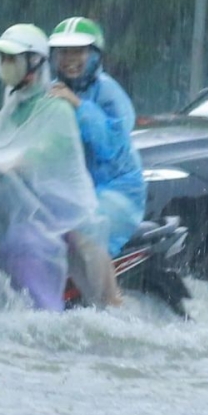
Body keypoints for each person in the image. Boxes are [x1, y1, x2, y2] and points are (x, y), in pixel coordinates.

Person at [0, 23, 104, 312]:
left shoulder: (55, 106)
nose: (5, 65)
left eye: (12, 59)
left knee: (21, 245)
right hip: (19, 208)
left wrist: (10, 163)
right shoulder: (14, 102)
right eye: (2, 58)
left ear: (34, 62)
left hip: (57, 216)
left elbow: (45, 152)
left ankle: (44, 318)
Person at [47, 16, 144, 306]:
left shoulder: (109, 92)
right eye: (64, 52)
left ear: (94, 55)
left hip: (117, 190)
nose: (70, 59)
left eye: (79, 51)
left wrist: (78, 105)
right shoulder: (51, 91)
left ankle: (111, 300)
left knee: (84, 225)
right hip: (77, 187)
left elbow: (111, 145)